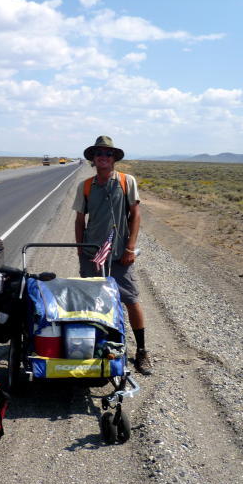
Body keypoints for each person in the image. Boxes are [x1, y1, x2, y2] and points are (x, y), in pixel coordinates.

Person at [72, 136, 152, 375]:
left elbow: (135, 215)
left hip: (119, 254)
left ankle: (141, 351)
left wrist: (130, 247)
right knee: (90, 302)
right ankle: (93, 346)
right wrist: (80, 249)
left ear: (114, 158)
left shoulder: (127, 182)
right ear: (93, 159)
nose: (103, 157)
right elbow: (79, 220)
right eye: (99, 154)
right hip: (92, 253)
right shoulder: (86, 186)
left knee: (130, 299)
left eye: (108, 154)